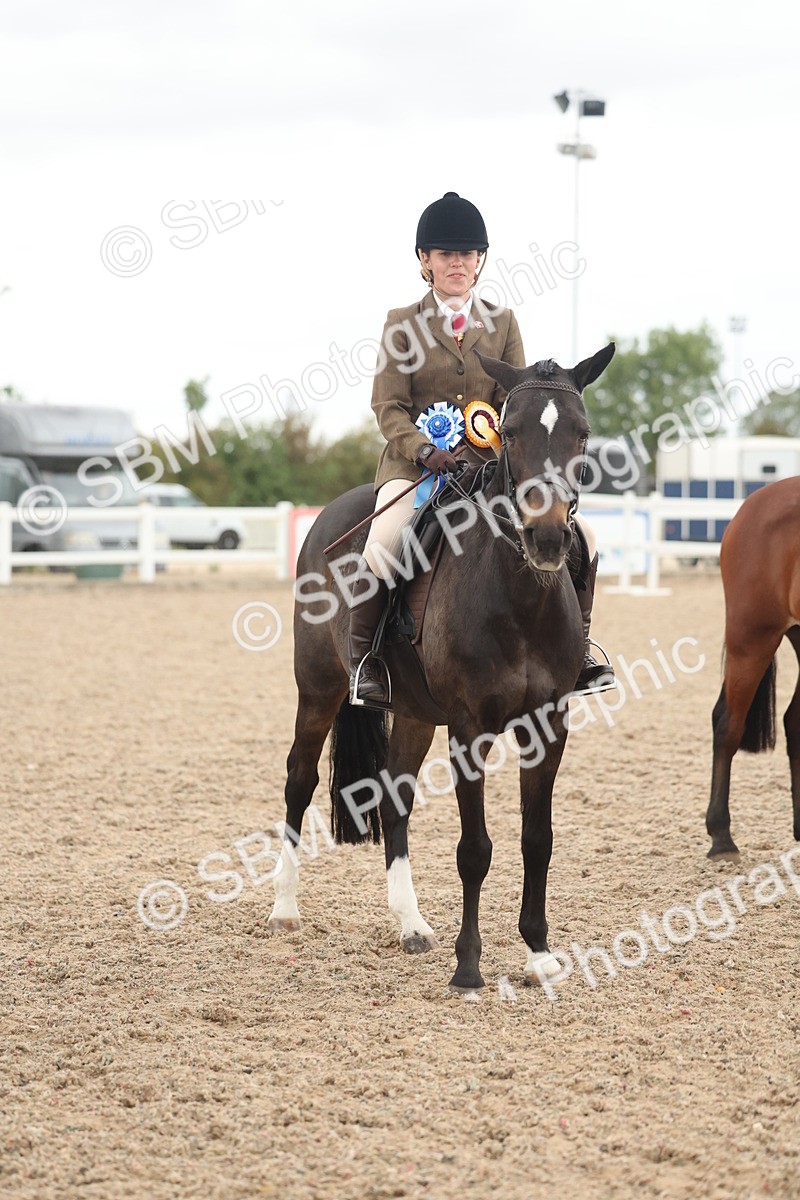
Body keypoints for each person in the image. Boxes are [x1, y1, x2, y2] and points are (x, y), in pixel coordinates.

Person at [348, 191, 615, 707]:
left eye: (467, 255)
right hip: (416, 468)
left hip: (487, 469)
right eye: (446, 255)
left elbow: (512, 405)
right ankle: (370, 661)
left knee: (585, 534)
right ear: (425, 261)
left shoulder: (504, 322)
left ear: (480, 261)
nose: (458, 264)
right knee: (383, 539)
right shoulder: (401, 322)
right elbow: (388, 406)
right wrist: (425, 450)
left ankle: (579, 652)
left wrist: (497, 453)